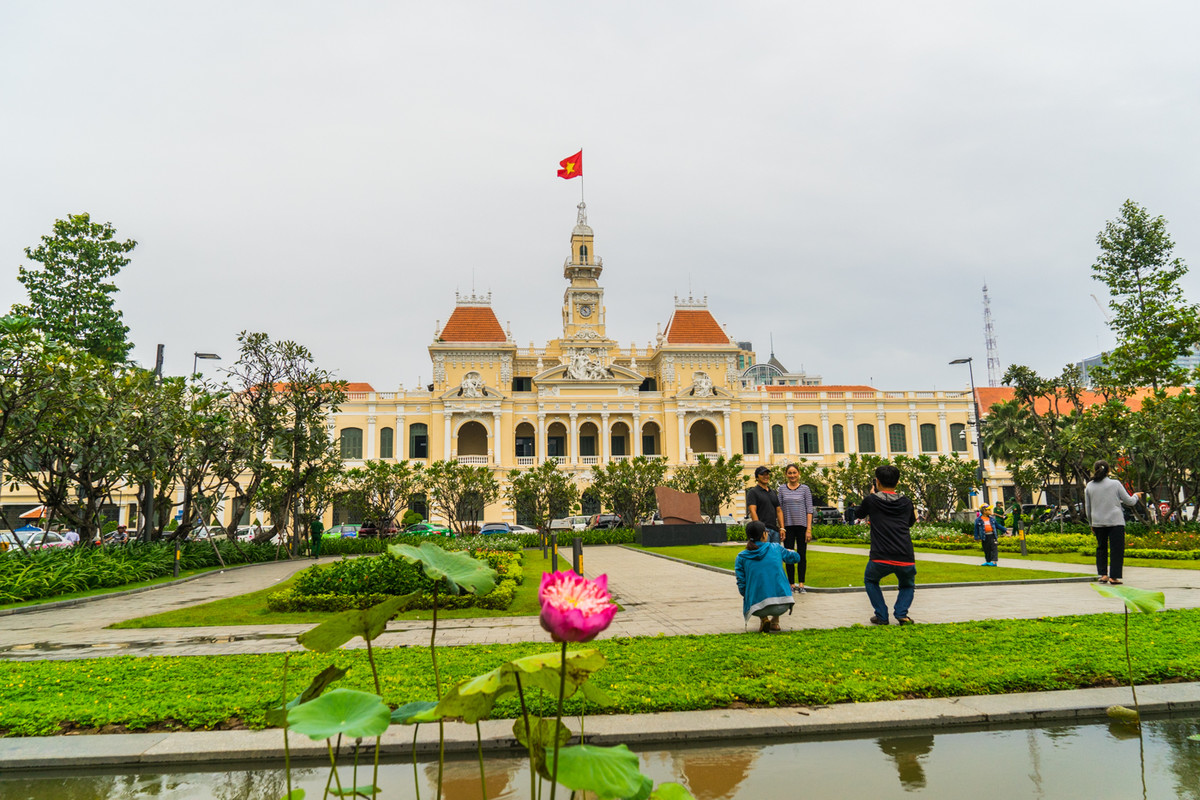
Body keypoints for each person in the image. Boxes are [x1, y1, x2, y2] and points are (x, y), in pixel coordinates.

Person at [855, 464, 918, 625]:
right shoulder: (906, 502)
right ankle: (901, 613)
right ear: (897, 482)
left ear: (877, 482)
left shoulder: (872, 500)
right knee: (907, 584)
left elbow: (858, 514)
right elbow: (910, 522)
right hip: (905, 554)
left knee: (870, 580)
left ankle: (882, 615)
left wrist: (871, 496)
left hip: (880, 555)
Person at [735, 520, 803, 632]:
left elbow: (741, 583)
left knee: (758, 587)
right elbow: (796, 558)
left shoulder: (741, 557)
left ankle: (764, 618)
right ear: (763, 534)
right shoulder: (776, 548)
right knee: (775, 581)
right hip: (783, 604)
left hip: (757, 607)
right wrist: (791, 551)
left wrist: (747, 595)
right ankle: (775, 622)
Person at [1084, 459, 1141, 585]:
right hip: (1115, 522)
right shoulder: (1115, 484)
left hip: (1098, 521)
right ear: (1108, 470)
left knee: (1101, 548)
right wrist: (1136, 496)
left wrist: (1091, 523)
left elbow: (1087, 508)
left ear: (1095, 470)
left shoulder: (1089, 486)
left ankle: (1103, 575)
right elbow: (1129, 501)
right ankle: (1114, 577)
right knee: (1116, 549)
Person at [778, 463, 814, 592]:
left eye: (794, 472)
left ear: (799, 474)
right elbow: (780, 509)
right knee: (789, 555)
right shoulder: (782, 489)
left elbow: (809, 510)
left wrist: (808, 529)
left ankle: (801, 584)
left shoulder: (805, 489)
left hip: (802, 526)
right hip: (788, 526)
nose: (792, 475)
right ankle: (791, 584)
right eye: (790, 473)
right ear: (786, 475)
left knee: (802, 555)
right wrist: (782, 528)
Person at [746, 466, 784, 544]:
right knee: (764, 553)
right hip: (763, 530)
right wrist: (759, 529)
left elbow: (779, 510)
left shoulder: (772, 492)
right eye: (762, 474)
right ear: (757, 477)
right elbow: (753, 511)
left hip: (774, 530)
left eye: (767, 474)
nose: (765, 476)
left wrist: (782, 528)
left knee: (775, 554)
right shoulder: (753, 492)